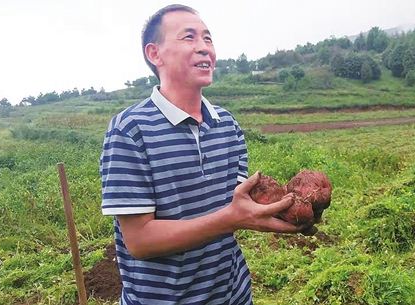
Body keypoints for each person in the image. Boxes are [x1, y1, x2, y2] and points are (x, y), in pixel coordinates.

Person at [100, 4, 305, 304]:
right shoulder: (130, 130)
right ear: (155, 54)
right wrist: (230, 219)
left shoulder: (227, 124)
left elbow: (237, 207)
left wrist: (287, 211)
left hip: (234, 294)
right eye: (189, 38)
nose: (204, 48)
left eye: (208, 39)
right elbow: (140, 241)